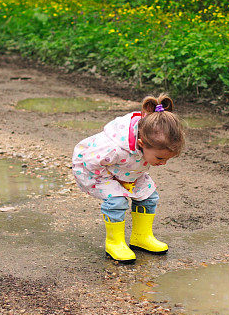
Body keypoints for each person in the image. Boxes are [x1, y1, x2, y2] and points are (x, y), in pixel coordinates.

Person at [72, 94, 185, 263]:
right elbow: (90, 162)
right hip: (95, 171)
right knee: (117, 200)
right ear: (141, 144)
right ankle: (114, 243)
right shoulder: (114, 149)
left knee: (149, 195)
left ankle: (141, 237)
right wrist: (115, 181)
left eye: (168, 159)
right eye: (160, 158)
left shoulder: (149, 137)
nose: (164, 163)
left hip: (126, 170)